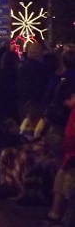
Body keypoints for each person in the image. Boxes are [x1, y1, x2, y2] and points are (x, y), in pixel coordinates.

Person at [45, 80, 75, 225]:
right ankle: (56, 213)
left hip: (72, 155)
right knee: (61, 179)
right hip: (70, 154)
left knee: (68, 182)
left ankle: (65, 217)